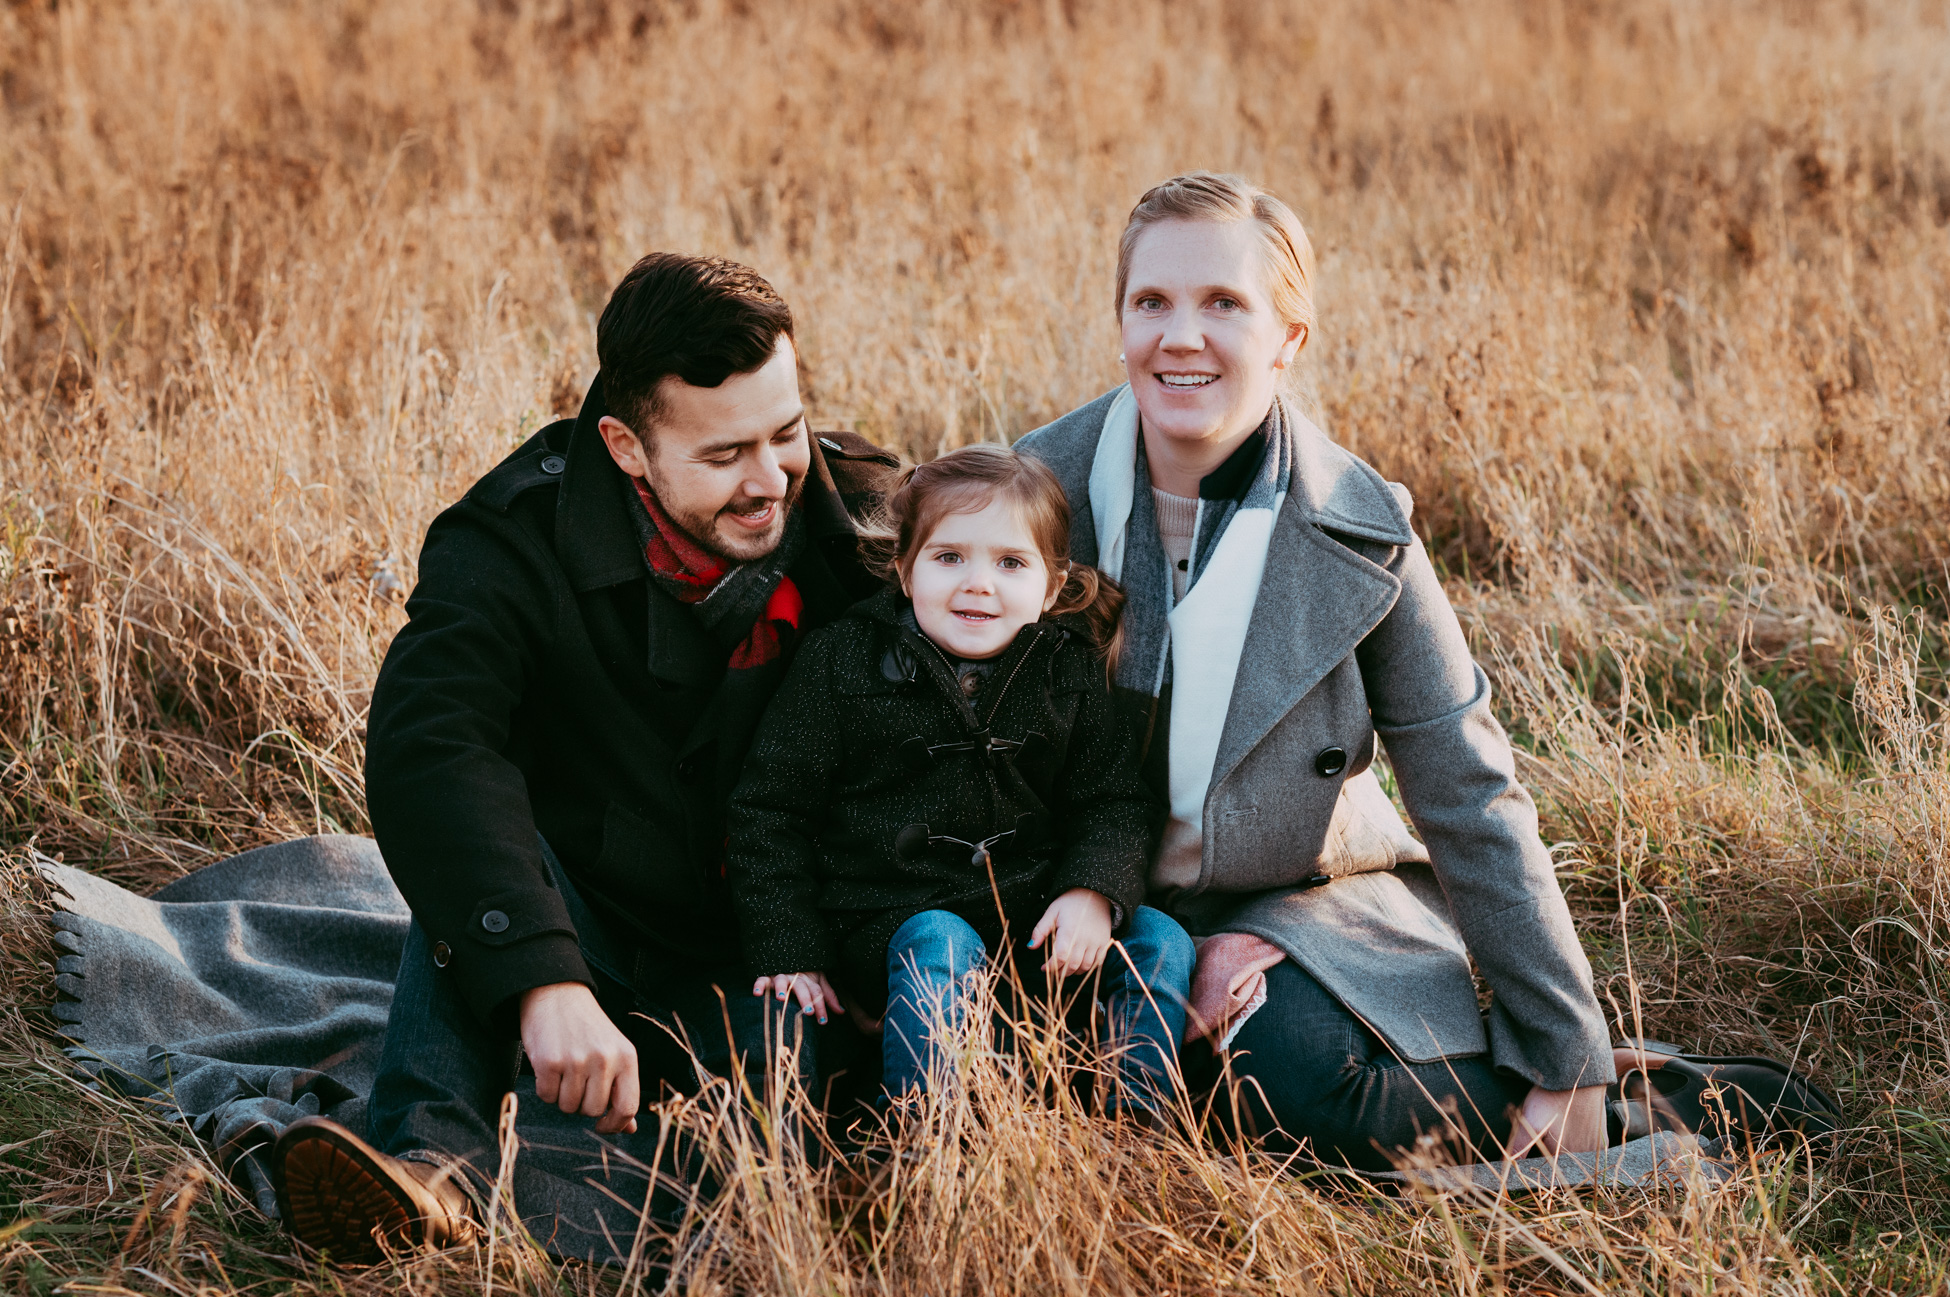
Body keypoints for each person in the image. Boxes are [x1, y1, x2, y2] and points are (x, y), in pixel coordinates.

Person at [270, 253, 897, 1261]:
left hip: (775, 939)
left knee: (772, 1145)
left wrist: (877, 930)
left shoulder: (870, 522)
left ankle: (556, 1208)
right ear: (626, 445)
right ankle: (428, 1172)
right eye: (727, 452)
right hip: (587, 908)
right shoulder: (511, 537)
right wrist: (541, 981)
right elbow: (435, 744)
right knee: (474, 874)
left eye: (785, 433)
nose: (771, 478)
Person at [1014, 172, 1618, 1170]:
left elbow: (1467, 787)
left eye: (1225, 304)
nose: (1181, 337)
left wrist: (1568, 1057)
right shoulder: (1029, 495)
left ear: (1289, 338)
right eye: (1151, 301)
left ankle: (1635, 1097)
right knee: (1036, 1070)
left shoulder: (1361, 532)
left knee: (1283, 1080)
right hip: (1065, 894)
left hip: (1293, 894)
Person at [725, 445, 1195, 1117]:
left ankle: (1132, 1129)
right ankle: (935, 1140)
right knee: (939, 940)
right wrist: (791, 946)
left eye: (1010, 563)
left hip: (1035, 924)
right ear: (904, 569)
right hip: (893, 923)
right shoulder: (842, 660)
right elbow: (770, 811)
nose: (978, 583)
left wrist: (1093, 890)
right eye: (949, 557)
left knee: (1160, 940)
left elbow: (1112, 798)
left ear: (1052, 585)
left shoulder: (1068, 668)